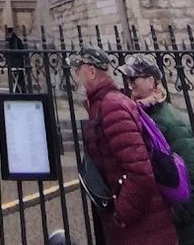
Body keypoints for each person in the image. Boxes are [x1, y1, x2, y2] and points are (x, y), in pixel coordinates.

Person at [70, 46, 177, 245]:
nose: (76, 75)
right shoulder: (102, 104)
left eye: (78, 69)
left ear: (92, 71)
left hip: (142, 230)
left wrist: (120, 215)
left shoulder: (111, 106)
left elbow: (141, 172)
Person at [119, 55, 194, 245]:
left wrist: (173, 218)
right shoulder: (143, 115)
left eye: (134, 78)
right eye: (129, 79)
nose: (130, 83)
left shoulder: (170, 122)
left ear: (151, 82)